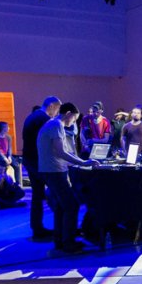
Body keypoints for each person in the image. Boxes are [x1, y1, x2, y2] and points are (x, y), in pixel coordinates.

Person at [37, 102, 94, 253]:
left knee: (61, 206)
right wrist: (83, 163)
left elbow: (58, 151)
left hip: (51, 170)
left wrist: (77, 162)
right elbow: (61, 152)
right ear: (68, 113)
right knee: (71, 205)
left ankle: (60, 240)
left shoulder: (52, 124)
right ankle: (68, 242)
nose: (73, 122)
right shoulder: (57, 125)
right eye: (74, 118)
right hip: (54, 171)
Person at [22, 96, 60, 242]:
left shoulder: (31, 116)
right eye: (57, 110)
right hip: (39, 162)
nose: (56, 114)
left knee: (37, 195)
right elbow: (49, 143)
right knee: (57, 192)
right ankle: (62, 229)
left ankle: (37, 228)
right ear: (51, 106)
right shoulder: (44, 119)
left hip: (29, 160)